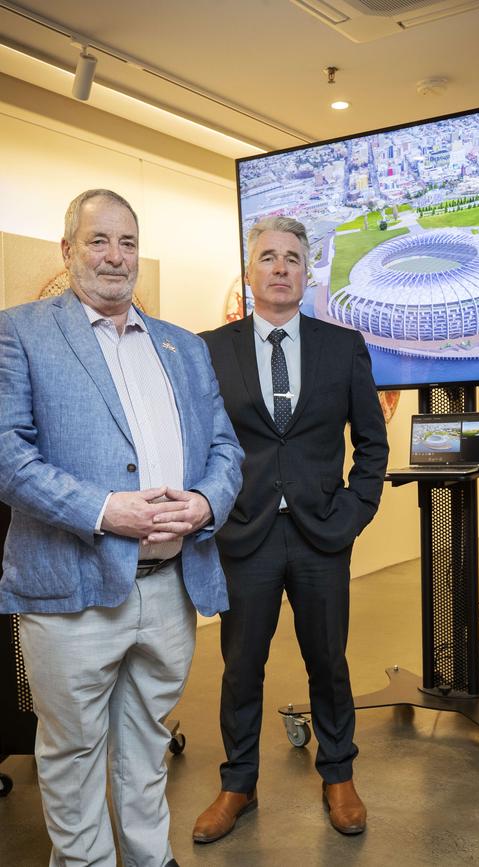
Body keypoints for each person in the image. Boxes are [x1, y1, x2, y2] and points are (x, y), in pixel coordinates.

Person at [0, 189, 244, 867]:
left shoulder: (183, 346)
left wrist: (203, 501)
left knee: (147, 740)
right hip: (71, 587)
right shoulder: (19, 331)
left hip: (170, 588)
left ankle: (147, 855)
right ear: (68, 249)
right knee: (73, 752)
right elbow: (7, 455)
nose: (115, 256)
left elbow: (226, 448)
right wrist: (105, 510)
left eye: (128, 242)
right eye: (99, 240)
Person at [193, 215, 389, 843]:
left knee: (328, 661)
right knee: (239, 666)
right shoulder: (210, 348)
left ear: (307, 273)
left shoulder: (343, 347)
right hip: (244, 535)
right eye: (268, 258)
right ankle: (238, 784)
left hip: (320, 537)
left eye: (292, 259)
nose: (280, 268)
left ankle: (338, 774)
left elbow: (372, 445)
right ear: (250, 272)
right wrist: (210, 509)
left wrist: (352, 514)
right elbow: (197, 443)